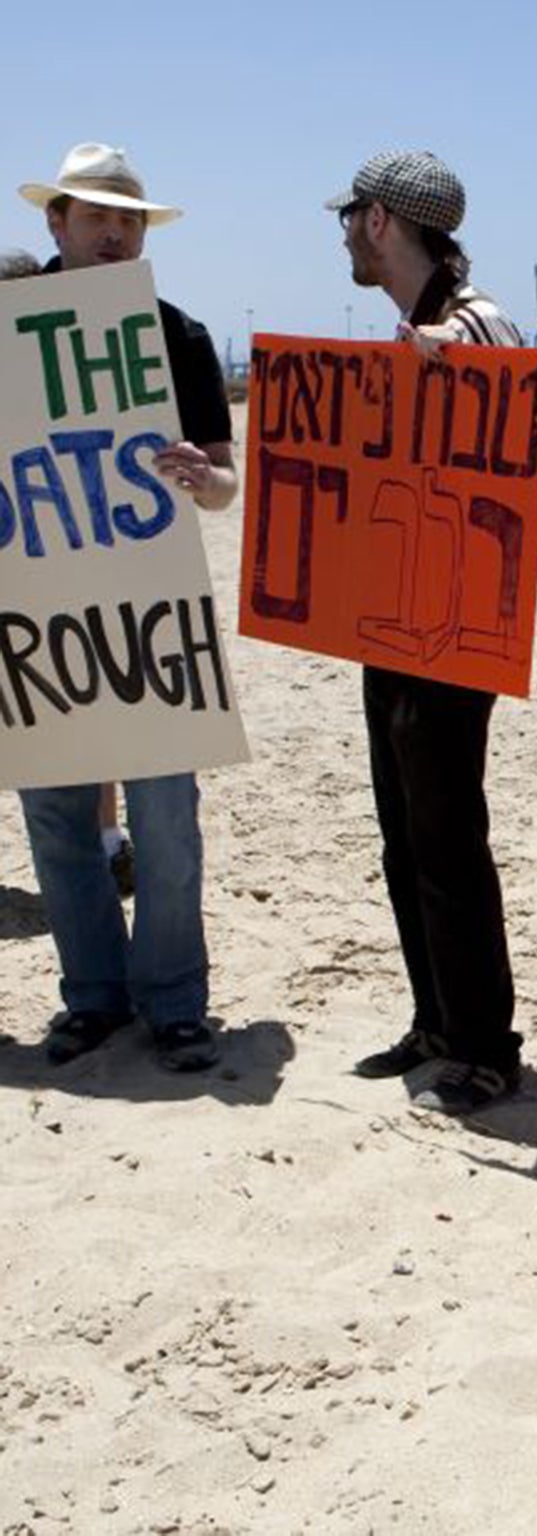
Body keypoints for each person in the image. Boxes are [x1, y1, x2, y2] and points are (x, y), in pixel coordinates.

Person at [14, 143, 238, 1072]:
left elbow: (229, 485)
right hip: (38, 612)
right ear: (54, 224)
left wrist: (204, 478)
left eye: (129, 218)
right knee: (59, 821)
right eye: (95, 214)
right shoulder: (5, 332)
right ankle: (94, 999)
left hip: (150, 615)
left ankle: (175, 1004)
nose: (114, 231)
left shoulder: (178, 335)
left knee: (165, 822)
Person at [327, 150, 526, 1115]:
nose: (344, 237)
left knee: (447, 834)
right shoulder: (419, 326)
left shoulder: (477, 321)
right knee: (404, 833)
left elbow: (516, 436)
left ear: (378, 223)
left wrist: (454, 370)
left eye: (349, 218)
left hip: (452, 623)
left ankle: (487, 1044)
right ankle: (438, 1017)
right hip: (395, 613)